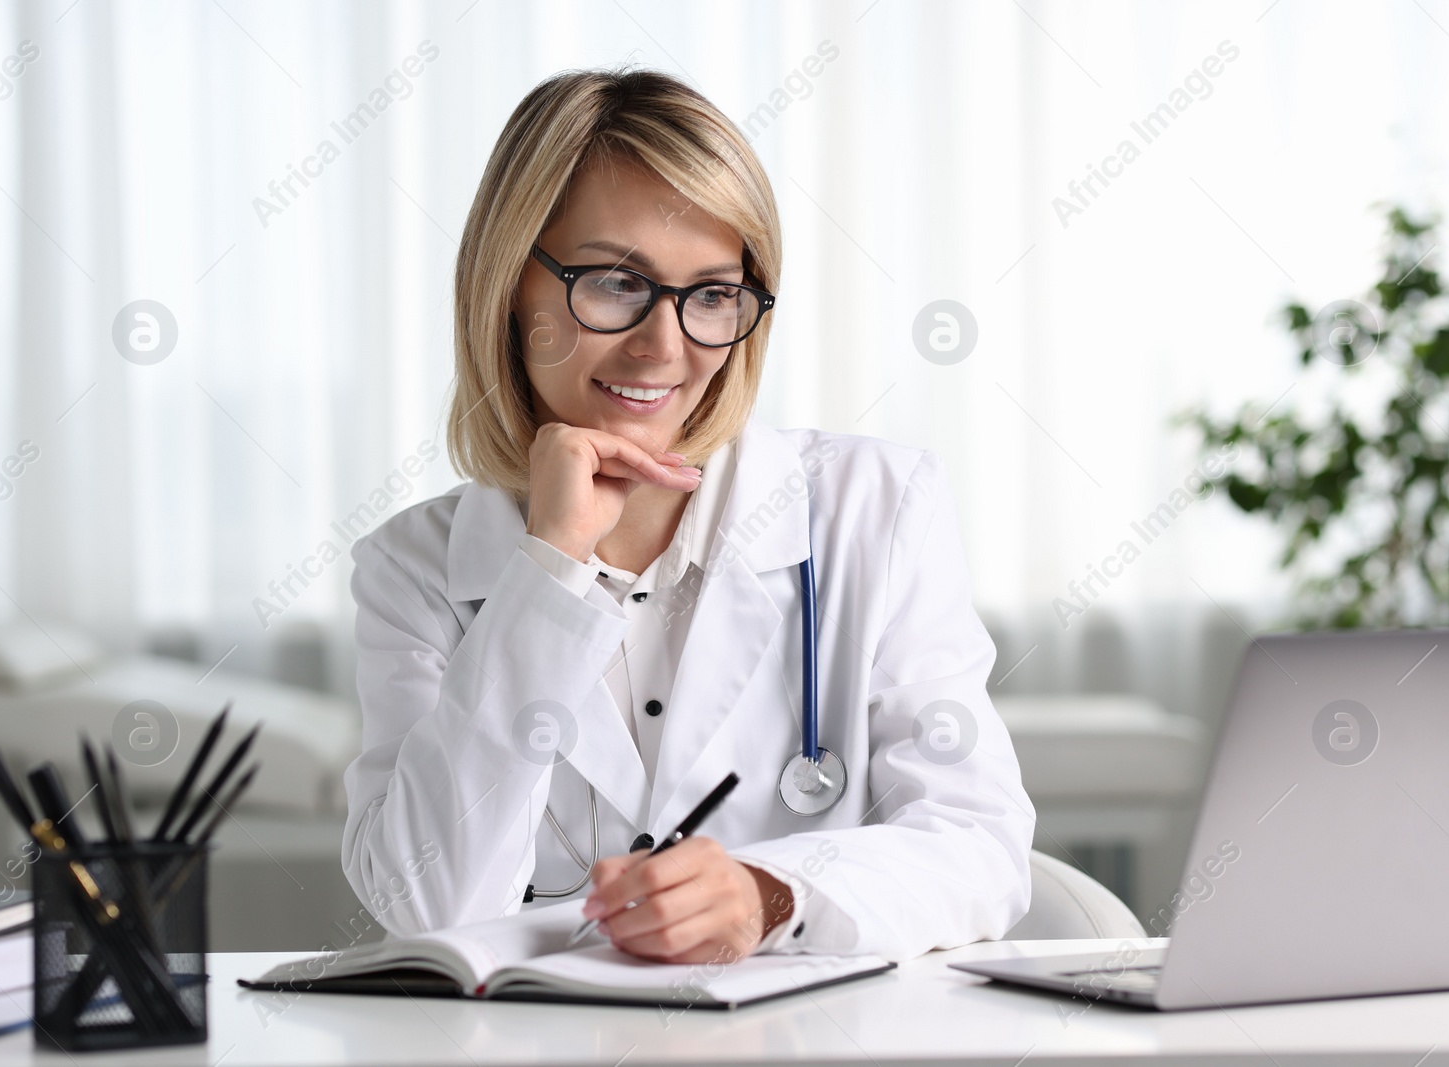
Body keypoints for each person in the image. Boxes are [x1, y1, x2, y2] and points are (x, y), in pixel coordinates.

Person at [342, 66, 1034, 966]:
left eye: (711, 295)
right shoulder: (412, 568)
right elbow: (429, 903)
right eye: (615, 283)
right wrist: (548, 569)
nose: (664, 347)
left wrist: (768, 896)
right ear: (511, 285)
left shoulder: (875, 508)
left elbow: (978, 845)